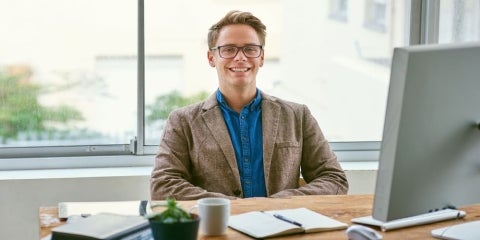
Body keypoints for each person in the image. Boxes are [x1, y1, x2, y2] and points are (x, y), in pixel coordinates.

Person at [150, 10, 348, 200]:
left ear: (261, 57)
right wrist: (231, 206)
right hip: (218, 231)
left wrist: (280, 202)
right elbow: (163, 184)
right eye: (228, 49)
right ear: (212, 58)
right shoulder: (183, 121)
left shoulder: (297, 116)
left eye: (250, 49)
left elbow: (334, 178)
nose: (240, 57)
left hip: (282, 228)